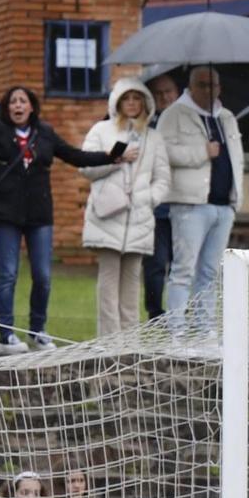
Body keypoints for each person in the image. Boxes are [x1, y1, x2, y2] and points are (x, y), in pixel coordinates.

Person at [0, 85, 123, 352]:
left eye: (23, 101)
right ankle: (6, 336)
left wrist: (110, 157)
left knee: (43, 276)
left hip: (38, 214)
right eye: (13, 102)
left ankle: (37, 331)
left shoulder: (44, 133)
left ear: (32, 107)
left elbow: (74, 155)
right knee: (8, 273)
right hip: (5, 214)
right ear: (7, 107)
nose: (18, 106)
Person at [80, 78, 171, 338]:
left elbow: (163, 177)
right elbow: (85, 167)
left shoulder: (153, 137)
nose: (131, 104)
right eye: (126, 99)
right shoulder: (101, 130)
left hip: (139, 217)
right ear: (118, 103)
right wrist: (115, 159)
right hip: (108, 213)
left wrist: (150, 199)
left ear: (145, 103)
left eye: (137, 98)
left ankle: (130, 342)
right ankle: (109, 340)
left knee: (132, 280)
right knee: (108, 281)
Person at [159, 66, 246, 332]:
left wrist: (236, 200)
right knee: (183, 270)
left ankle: (204, 330)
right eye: (203, 85)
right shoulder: (174, 114)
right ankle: (177, 331)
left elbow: (237, 158)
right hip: (190, 205)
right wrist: (201, 152)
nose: (209, 90)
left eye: (213, 85)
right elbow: (163, 152)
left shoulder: (227, 116)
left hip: (223, 206)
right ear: (191, 86)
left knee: (210, 272)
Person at [141, 71, 182, 320]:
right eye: (159, 93)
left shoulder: (188, 123)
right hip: (156, 207)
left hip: (184, 204)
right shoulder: (147, 126)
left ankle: (182, 313)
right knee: (155, 265)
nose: (165, 96)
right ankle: (156, 315)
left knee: (182, 265)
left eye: (169, 91)